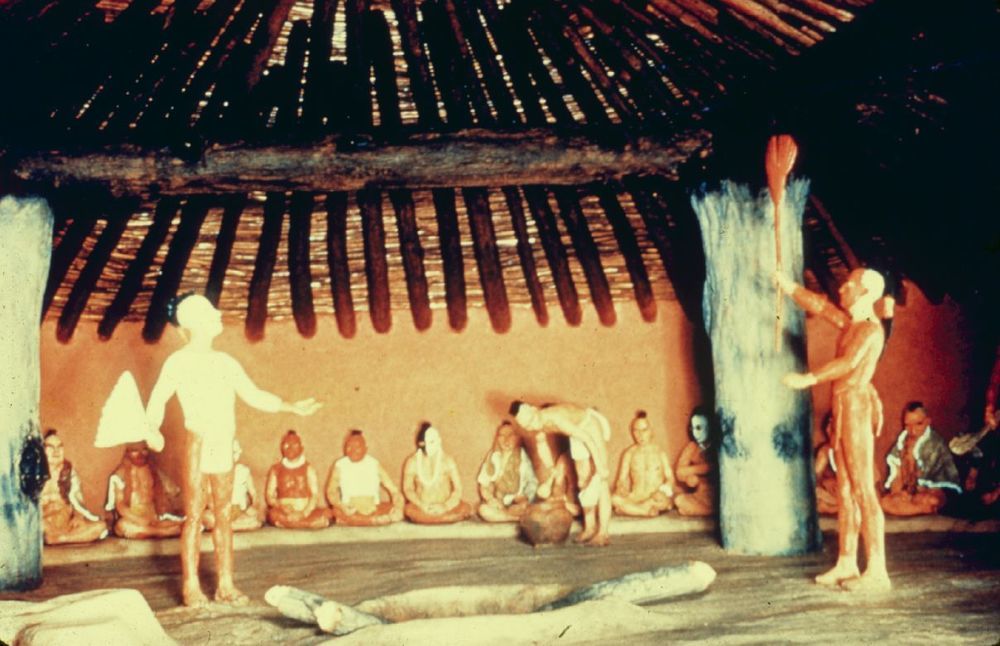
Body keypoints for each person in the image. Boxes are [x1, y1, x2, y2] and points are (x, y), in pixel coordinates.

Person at [146, 293, 322, 606]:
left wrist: (290, 406)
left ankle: (225, 584)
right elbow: (157, 401)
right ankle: (191, 586)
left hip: (222, 442)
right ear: (195, 322)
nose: (218, 315)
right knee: (194, 515)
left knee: (224, 515)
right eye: (210, 312)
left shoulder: (225, 363)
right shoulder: (179, 362)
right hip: (198, 442)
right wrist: (151, 431)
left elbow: (254, 395)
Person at [778, 267, 893, 592]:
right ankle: (846, 561)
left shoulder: (869, 330)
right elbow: (823, 307)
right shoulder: (853, 324)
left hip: (855, 409)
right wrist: (789, 287)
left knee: (863, 490)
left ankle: (877, 571)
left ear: (865, 292)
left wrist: (808, 379)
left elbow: (848, 363)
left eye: (849, 284)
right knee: (844, 490)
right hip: (843, 408)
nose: (842, 288)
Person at [510, 401, 612, 546]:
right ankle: (590, 528)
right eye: (526, 426)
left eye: (531, 422)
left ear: (534, 410)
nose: (531, 427)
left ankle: (603, 533)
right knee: (583, 481)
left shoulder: (555, 418)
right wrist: (551, 468)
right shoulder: (535, 423)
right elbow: (542, 446)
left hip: (590, 426)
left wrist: (600, 465)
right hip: (577, 434)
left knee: (600, 479)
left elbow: (587, 438)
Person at [880, 402, 961, 516]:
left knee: (931, 500)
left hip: (932, 490)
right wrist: (898, 492)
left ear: (928, 422)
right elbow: (896, 477)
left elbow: (926, 480)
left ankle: (914, 508)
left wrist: (913, 494)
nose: (912, 430)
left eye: (918, 424)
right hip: (910, 493)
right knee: (885, 502)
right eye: (907, 425)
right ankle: (917, 509)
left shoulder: (935, 444)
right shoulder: (901, 442)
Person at [40, 430, 108, 545]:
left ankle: (60, 538)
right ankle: (61, 537)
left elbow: (78, 502)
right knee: (39, 525)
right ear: (42, 451)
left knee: (101, 526)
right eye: (51, 447)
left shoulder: (69, 472)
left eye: (60, 447)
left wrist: (78, 517)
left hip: (66, 524)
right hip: (45, 525)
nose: (56, 451)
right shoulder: (35, 475)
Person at [104, 441, 184, 539]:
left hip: (154, 518)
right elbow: (120, 505)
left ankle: (158, 530)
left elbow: (174, 493)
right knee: (123, 526)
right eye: (135, 451)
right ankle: (164, 532)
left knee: (184, 522)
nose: (140, 454)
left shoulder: (155, 472)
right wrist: (138, 519)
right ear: (127, 453)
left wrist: (167, 513)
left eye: (144, 450)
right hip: (133, 519)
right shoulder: (119, 475)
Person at [326, 430, 403, 526]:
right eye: (349, 446)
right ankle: (372, 521)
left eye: (357, 447)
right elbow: (331, 491)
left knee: (391, 508)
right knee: (336, 511)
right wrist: (341, 505)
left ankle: (365, 520)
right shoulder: (340, 465)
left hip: (373, 508)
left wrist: (398, 507)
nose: (352, 450)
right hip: (350, 509)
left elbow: (394, 491)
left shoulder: (374, 464)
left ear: (366, 449)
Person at [401, 424, 472, 524]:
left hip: (446, 509)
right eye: (429, 441)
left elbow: (458, 489)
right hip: (422, 509)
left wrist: (445, 506)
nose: (435, 444)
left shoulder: (448, 461)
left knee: (465, 509)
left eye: (435, 440)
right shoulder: (412, 462)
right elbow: (408, 488)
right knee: (408, 510)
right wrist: (421, 504)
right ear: (421, 443)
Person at [611, 411, 676, 517]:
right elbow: (621, 480)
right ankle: (644, 511)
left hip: (655, 497)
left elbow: (670, 478)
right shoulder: (629, 453)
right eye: (636, 430)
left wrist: (664, 490)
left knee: (663, 501)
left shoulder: (660, 452)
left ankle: (631, 510)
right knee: (614, 499)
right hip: (636, 497)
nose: (640, 435)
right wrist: (621, 488)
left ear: (651, 430)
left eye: (644, 430)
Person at [265, 430, 330, 530]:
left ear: (301, 448)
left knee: (328, 513)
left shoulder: (309, 468)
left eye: (294, 445)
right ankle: (306, 525)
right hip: (285, 511)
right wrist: (281, 506)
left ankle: (291, 524)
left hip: (305, 510)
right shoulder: (275, 469)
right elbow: (269, 496)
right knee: (272, 514)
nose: (290, 448)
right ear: (281, 447)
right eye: (286, 445)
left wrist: (304, 513)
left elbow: (314, 496)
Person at [477, 421, 538, 522]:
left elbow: (532, 482)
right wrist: (491, 499)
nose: (506, 439)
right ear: (497, 439)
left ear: (516, 438)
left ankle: (507, 517)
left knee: (528, 509)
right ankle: (514, 519)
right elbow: (483, 484)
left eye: (510, 435)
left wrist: (525, 498)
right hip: (500, 504)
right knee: (483, 509)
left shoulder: (522, 455)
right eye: (502, 436)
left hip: (518, 502)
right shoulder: (493, 456)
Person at [203, 440, 264, 532]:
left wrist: (254, 506)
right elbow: (208, 496)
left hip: (239, 511)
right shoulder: (214, 472)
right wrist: (215, 508)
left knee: (254, 518)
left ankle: (226, 526)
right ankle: (232, 526)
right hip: (219, 510)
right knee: (206, 517)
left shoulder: (243, 471)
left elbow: (254, 495)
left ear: (236, 455)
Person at [673, 409, 715, 517]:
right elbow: (679, 472)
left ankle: (709, 511)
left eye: (699, 428)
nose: (696, 433)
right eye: (693, 428)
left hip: (716, 497)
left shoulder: (716, 446)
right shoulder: (692, 447)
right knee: (679, 500)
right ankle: (709, 511)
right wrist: (692, 477)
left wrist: (693, 471)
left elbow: (713, 467)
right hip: (699, 496)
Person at [813, 413, 840, 516]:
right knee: (816, 494)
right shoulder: (825, 451)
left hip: (848, 496)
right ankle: (833, 508)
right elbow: (815, 478)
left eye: (833, 425)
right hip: (829, 495)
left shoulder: (856, 452)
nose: (829, 428)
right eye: (829, 424)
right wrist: (826, 482)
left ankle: (833, 509)